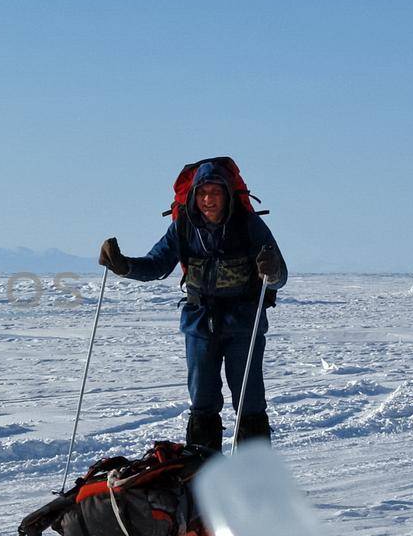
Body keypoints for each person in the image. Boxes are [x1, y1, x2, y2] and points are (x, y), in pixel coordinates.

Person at [97, 161, 287, 453]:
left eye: (215, 192)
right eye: (202, 193)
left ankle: (256, 481)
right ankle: (202, 478)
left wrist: (271, 271)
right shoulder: (183, 227)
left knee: (249, 401)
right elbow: (155, 264)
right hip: (200, 325)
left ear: (227, 195)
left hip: (243, 326)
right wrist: (124, 266)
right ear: (193, 197)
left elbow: (279, 278)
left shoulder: (249, 225)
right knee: (203, 402)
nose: (208, 200)